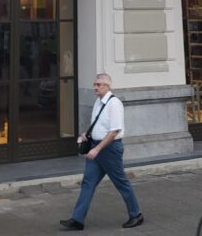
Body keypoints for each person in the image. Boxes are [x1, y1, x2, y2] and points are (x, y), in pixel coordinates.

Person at [59, 73, 143, 231]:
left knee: (121, 182)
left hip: (109, 150)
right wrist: (87, 135)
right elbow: (99, 125)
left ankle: (136, 215)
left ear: (107, 86)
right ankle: (77, 219)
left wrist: (97, 149)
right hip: (96, 148)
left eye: (98, 84)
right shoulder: (98, 102)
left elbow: (114, 131)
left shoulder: (114, 104)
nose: (95, 87)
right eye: (94, 84)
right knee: (88, 183)